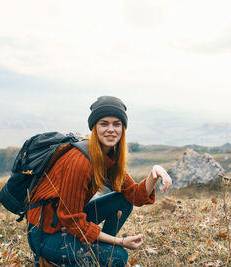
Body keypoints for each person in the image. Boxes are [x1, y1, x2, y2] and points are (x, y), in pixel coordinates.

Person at [26, 96, 173, 266]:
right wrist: (119, 242)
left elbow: (134, 195)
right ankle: (52, 259)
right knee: (117, 258)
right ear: (94, 127)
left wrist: (153, 175)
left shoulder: (107, 156)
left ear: (123, 128)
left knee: (122, 201)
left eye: (116, 124)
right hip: (47, 235)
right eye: (104, 123)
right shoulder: (80, 161)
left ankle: (97, 250)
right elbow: (72, 221)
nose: (111, 129)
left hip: (65, 224)